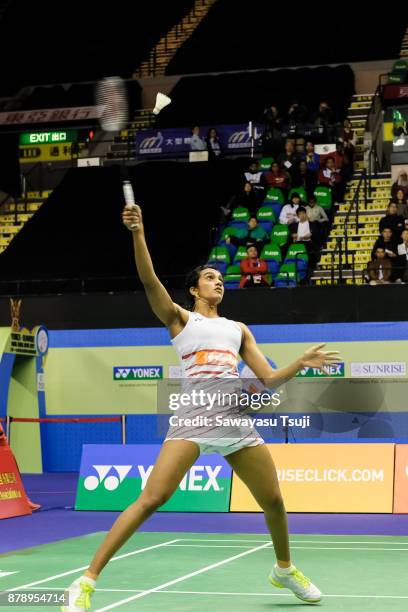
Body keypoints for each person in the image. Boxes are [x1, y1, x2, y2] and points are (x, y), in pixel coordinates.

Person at [63, 200, 340, 610]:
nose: (218, 282)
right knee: (151, 499)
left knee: (274, 501)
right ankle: (85, 581)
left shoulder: (237, 329)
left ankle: (284, 569)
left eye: (219, 278)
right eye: (209, 278)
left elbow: (267, 379)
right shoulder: (180, 320)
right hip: (193, 420)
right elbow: (149, 280)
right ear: (194, 290)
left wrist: (300, 363)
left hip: (236, 424)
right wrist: (138, 233)